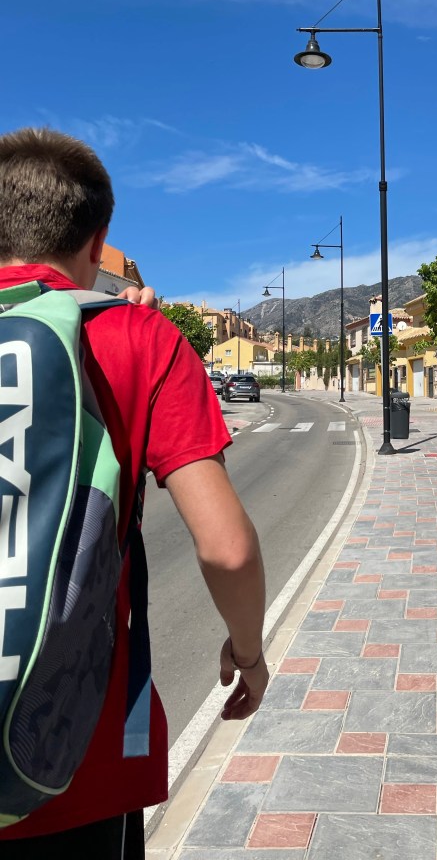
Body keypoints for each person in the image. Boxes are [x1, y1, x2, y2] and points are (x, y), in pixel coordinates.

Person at [0, 127, 269, 858]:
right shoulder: (139, 337)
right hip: (73, 759)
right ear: (98, 242)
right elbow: (227, 547)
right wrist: (249, 653)